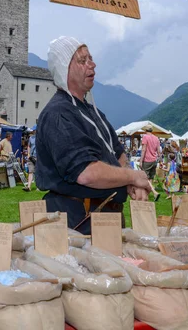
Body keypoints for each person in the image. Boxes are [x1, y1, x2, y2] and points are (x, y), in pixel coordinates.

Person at [36, 36, 152, 234]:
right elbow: (86, 173)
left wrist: (131, 183)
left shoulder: (94, 113)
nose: (92, 64)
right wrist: (133, 176)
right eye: (83, 60)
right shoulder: (59, 114)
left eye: (91, 58)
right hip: (77, 222)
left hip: (105, 216)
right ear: (64, 68)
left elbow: (118, 155)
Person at [23, 125, 37, 192]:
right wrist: (28, 154)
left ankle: (38, 187)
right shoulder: (31, 138)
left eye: (34, 130)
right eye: (33, 130)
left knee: (38, 172)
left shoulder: (42, 138)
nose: (33, 131)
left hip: (38, 157)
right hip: (31, 157)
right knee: (30, 172)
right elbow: (29, 146)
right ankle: (28, 187)